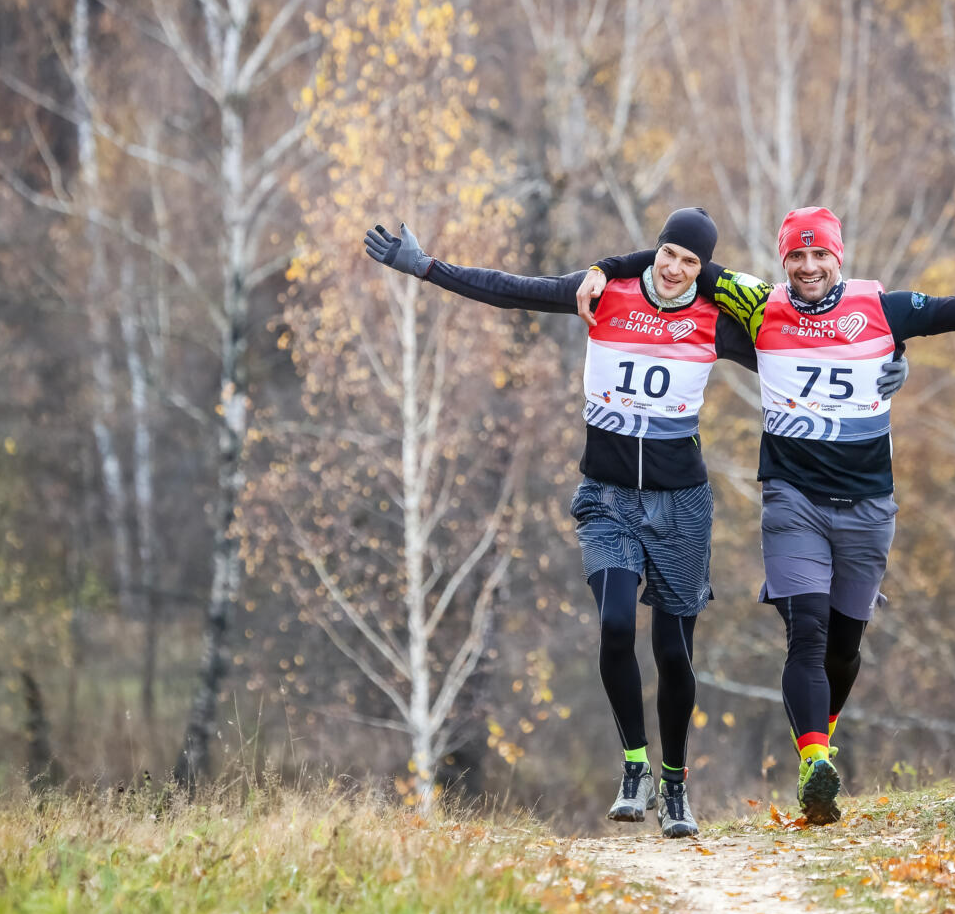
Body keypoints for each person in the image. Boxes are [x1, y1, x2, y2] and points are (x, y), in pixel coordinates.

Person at [365, 209, 909, 836]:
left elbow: (819, 347)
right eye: (668, 254)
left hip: (680, 505)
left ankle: (675, 785)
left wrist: (892, 360)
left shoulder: (715, 321)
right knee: (616, 621)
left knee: (674, 655)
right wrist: (427, 266)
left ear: (704, 272)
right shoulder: (604, 294)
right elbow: (514, 289)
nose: (676, 269)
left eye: (691, 262)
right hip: (609, 496)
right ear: (654, 251)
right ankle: (635, 766)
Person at [581, 206, 955, 824]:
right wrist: (599, 269)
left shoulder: (883, 311)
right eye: (796, 257)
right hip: (792, 497)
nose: (809, 267)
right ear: (782, 261)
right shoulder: (757, 304)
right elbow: (667, 259)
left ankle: (821, 738)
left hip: (868, 503)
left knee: (844, 647)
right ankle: (813, 763)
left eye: (820, 256)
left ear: (840, 257)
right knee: (804, 630)